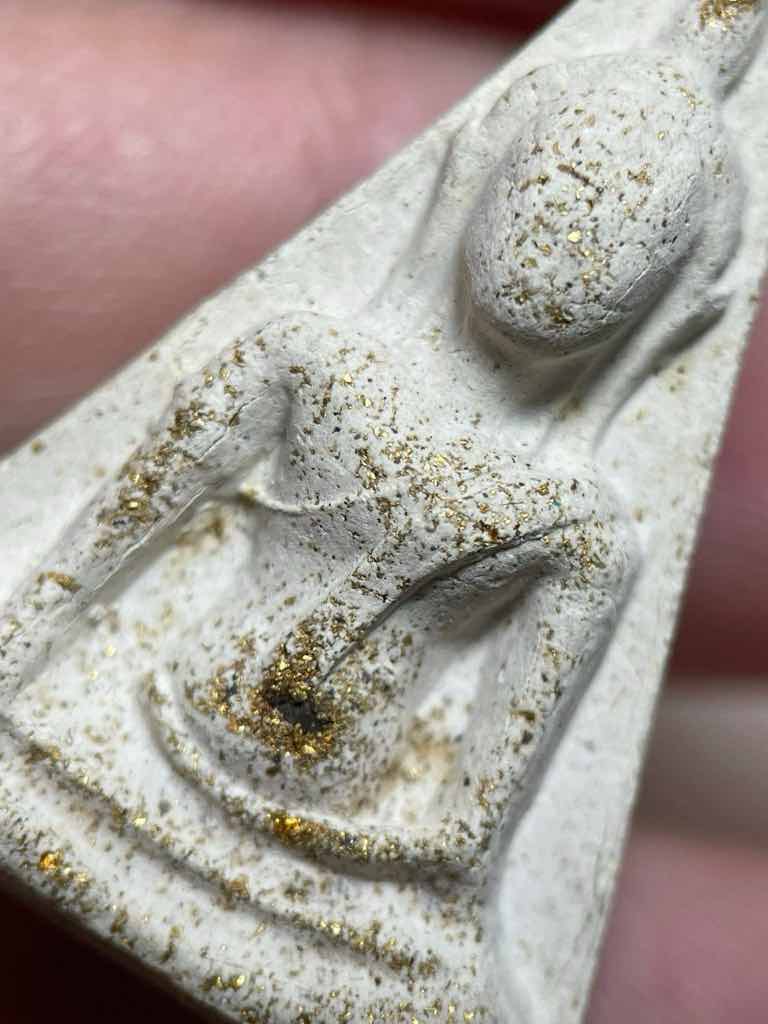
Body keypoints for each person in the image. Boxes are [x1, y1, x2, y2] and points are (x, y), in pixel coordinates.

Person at [1, 2, 767, 1023]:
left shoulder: (576, 531)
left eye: (622, 238)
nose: (567, 244)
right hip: (123, 736)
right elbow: (81, 559)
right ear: (484, 171)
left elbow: (465, 848)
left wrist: (387, 860)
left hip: (323, 866)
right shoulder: (304, 361)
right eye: (561, 188)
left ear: (670, 303)